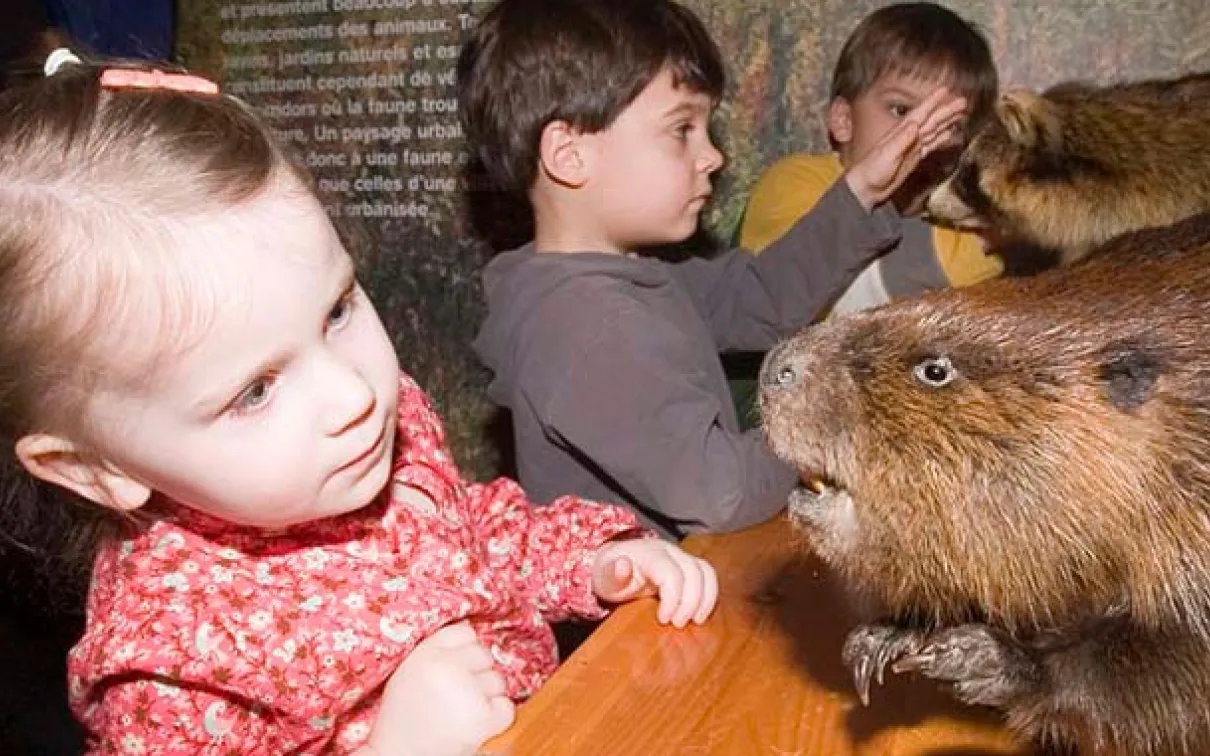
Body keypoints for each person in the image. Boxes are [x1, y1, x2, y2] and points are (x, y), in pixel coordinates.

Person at [0, 51, 718, 756]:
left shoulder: (365, 442)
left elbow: (470, 534)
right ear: (92, 469)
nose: (352, 393)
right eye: (255, 390)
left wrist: (591, 561)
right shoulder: (167, 671)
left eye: (337, 310)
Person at [461, 0, 968, 540]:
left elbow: (759, 299)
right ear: (569, 155)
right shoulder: (584, 324)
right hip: (650, 595)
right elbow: (720, 489)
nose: (714, 156)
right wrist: (832, 426)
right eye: (682, 129)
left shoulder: (630, 272)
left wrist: (862, 189)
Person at [739, 2, 1002, 313]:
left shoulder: (947, 220)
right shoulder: (793, 182)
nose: (924, 134)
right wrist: (986, 241)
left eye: (949, 125)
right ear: (844, 120)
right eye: (901, 110)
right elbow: (834, 295)